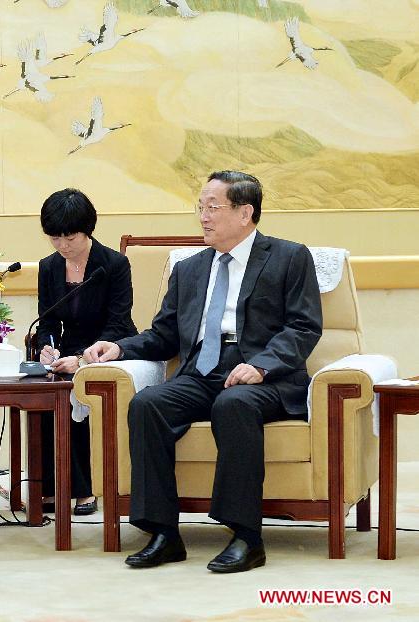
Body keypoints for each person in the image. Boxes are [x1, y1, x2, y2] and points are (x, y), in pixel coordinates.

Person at [84, 171, 322, 573]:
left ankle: (246, 536)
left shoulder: (288, 257)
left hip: (264, 375)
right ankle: (163, 533)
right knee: (148, 404)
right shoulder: (191, 268)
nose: (204, 216)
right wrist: (119, 348)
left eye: (214, 207)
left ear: (245, 212)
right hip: (201, 371)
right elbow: (164, 334)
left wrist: (261, 365)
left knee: (234, 405)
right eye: (201, 207)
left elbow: (303, 327)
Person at [36, 188, 137, 515]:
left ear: (87, 229)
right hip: (68, 350)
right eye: (54, 238)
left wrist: (82, 359)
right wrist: (47, 348)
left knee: (79, 392)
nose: (63, 246)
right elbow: (47, 320)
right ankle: (51, 486)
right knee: (44, 395)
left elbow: (119, 323)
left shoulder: (114, 264)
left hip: (109, 348)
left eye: (70, 237)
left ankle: (85, 490)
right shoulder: (48, 267)